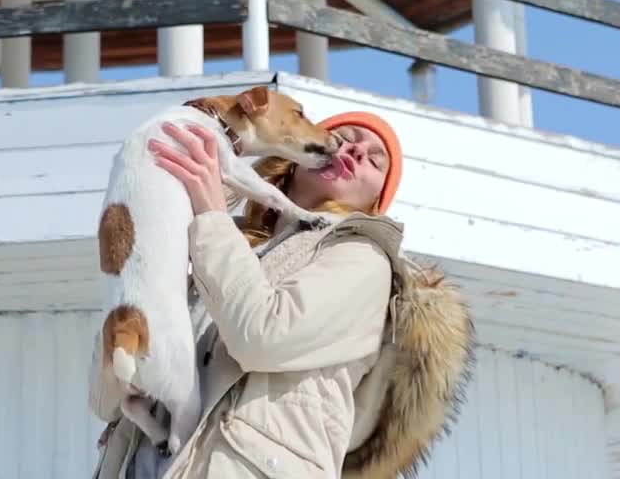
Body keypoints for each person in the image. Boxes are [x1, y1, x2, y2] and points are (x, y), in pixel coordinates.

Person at [89, 110, 474, 479]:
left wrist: (210, 212)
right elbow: (104, 401)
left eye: (376, 161)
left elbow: (263, 336)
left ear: (375, 203)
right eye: (344, 139)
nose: (357, 152)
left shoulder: (363, 258)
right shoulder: (220, 250)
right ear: (296, 156)